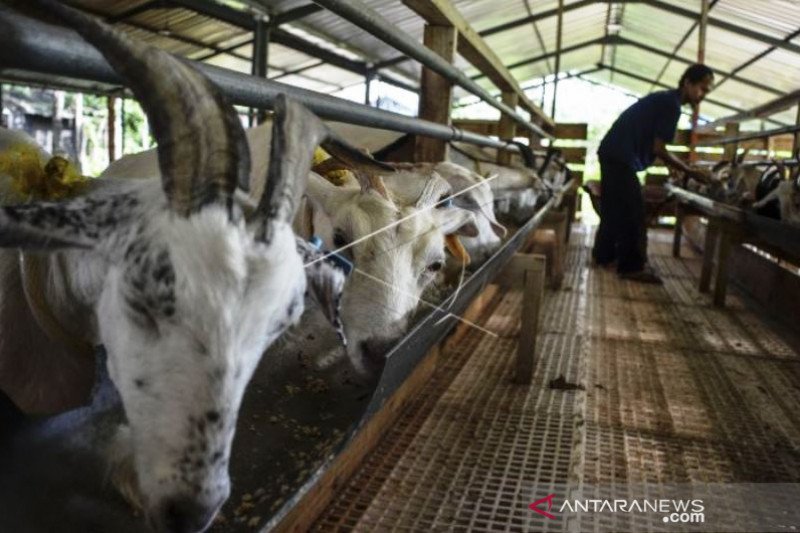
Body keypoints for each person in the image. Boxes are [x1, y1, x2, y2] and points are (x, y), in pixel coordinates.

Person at [593, 63, 714, 284]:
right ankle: (632, 267)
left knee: (613, 207)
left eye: (707, 91)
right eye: (702, 88)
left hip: (612, 151)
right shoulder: (672, 105)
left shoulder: (665, 99)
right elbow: (659, 148)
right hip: (621, 155)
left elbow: (652, 142)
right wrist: (689, 170)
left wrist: (673, 166)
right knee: (634, 210)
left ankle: (604, 256)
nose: (703, 95)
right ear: (687, 82)